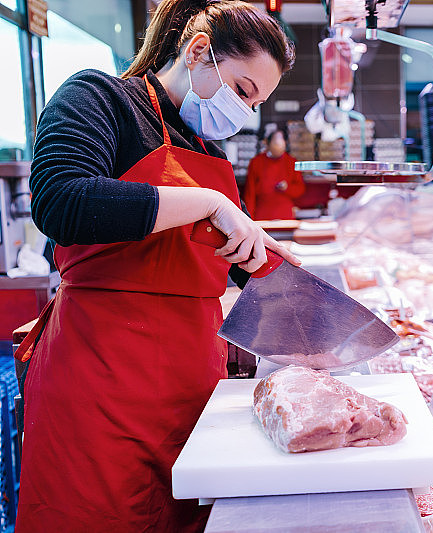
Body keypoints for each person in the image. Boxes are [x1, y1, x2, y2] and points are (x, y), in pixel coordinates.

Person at [14, 1, 300, 531]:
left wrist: (267, 264)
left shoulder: (203, 145)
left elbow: (202, 253)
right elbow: (60, 200)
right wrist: (211, 205)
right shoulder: (99, 98)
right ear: (197, 51)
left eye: (255, 101)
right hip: (99, 386)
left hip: (193, 393)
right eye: (241, 89)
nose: (244, 110)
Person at [243, 128, 306, 220]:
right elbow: (249, 194)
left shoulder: (291, 162)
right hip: (262, 215)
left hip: (285, 215)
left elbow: (300, 189)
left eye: (281, 145)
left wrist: (287, 188)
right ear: (267, 144)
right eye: (275, 144)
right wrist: (249, 218)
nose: (278, 149)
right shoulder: (256, 162)